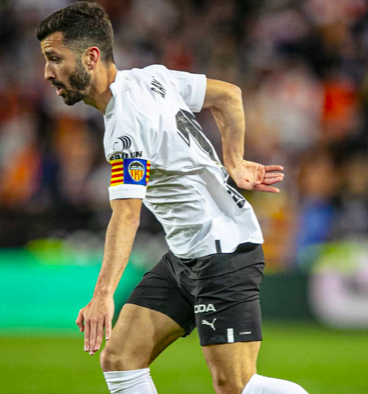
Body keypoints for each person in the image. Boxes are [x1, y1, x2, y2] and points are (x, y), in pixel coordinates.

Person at [36, 2, 308, 394]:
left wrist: (102, 296)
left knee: (235, 386)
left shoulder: (126, 126)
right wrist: (233, 161)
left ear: (90, 57)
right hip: (186, 255)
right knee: (121, 359)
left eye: (54, 59)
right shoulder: (150, 78)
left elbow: (126, 216)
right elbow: (228, 96)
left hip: (225, 253)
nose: (47, 73)